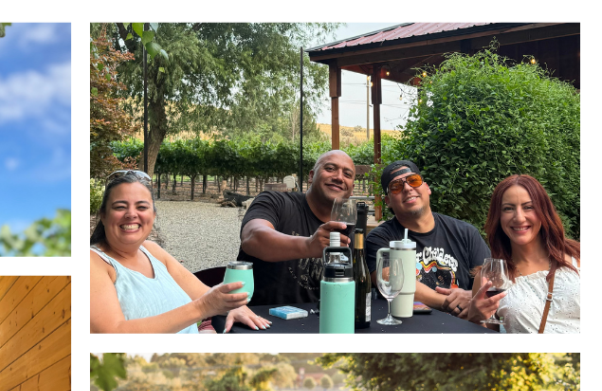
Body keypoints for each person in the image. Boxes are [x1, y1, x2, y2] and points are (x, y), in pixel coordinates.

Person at [91, 169, 268, 334]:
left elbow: (203, 293)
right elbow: (112, 334)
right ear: (104, 216)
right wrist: (203, 307)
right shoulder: (92, 262)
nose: (131, 214)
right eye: (120, 206)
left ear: (153, 216)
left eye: (142, 207)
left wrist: (234, 306)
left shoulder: (152, 251)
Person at [365, 161, 491, 318]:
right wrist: (454, 302)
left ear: (427, 188)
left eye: (414, 181)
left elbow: (491, 283)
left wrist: (473, 300)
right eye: (396, 186)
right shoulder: (380, 239)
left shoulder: (466, 233)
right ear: (388, 201)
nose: (407, 188)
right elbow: (392, 282)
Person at [237, 150, 356, 308]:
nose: (339, 177)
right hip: (260, 321)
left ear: (352, 188)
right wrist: (308, 246)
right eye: (330, 168)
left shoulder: (347, 232)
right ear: (311, 176)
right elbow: (252, 237)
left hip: (319, 324)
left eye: (347, 174)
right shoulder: (276, 202)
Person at [467, 174, 580, 332]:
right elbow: (490, 337)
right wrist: (475, 319)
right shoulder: (489, 278)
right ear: (498, 217)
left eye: (528, 207)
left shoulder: (578, 256)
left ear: (543, 211)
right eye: (508, 208)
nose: (519, 218)